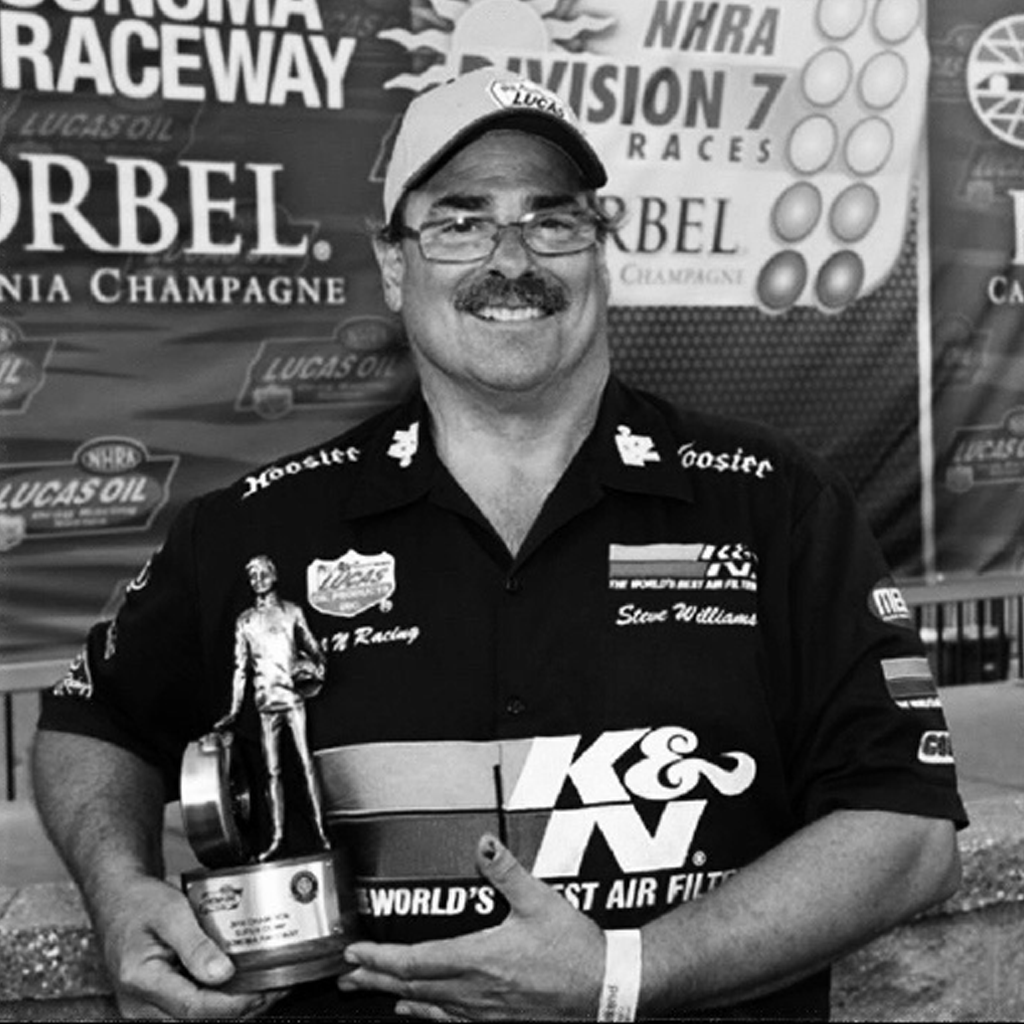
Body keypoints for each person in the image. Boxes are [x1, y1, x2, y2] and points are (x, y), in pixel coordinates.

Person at [33, 67, 966, 1021]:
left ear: (604, 249)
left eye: (551, 220)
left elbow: (906, 833)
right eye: (460, 221)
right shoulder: (257, 529)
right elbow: (90, 723)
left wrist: (621, 975)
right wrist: (118, 891)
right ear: (394, 264)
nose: (511, 259)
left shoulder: (776, 508)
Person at [215, 554, 330, 861]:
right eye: (252, 575)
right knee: (272, 773)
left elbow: (316, 652)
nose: (258, 579)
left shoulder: (292, 612)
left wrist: (313, 670)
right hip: (265, 705)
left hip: (293, 700)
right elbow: (240, 670)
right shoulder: (245, 621)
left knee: (307, 767)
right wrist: (234, 711)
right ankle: (277, 838)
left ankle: (321, 833)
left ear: (274, 574)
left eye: (262, 572)